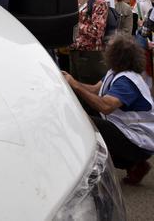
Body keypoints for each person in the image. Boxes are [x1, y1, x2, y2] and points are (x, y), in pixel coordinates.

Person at [64, 34, 154, 185]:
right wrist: (70, 82)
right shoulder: (115, 72)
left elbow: (105, 107)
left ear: (116, 56)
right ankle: (135, 165)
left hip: (140, 143)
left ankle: (96, 174)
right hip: (132, 136)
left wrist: (75, 84)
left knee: (88, 123)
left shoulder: (127, 81)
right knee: (87, 115)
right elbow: (93, 90)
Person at [70, 0, 109, 84]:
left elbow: (97, 31)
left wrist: (74, 24)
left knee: (89, 95)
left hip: (91, 56)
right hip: (74, 53)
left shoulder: (98, 1)